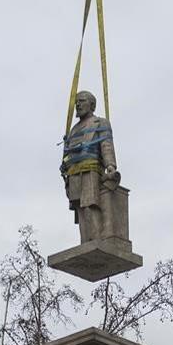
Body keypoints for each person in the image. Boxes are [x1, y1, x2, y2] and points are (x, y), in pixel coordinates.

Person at [61, 90, 119, 243]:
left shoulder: (100, 123)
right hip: (74, 173)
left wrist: (110, 165)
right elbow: (67, 153)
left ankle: (96, 238)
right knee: (79, 208)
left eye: (82, 101)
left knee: (90, 204)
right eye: (77, 102)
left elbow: (106, 145)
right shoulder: (73, 130)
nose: (78, 104)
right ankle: (85, 241)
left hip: (90, 170)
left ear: (92, 105)